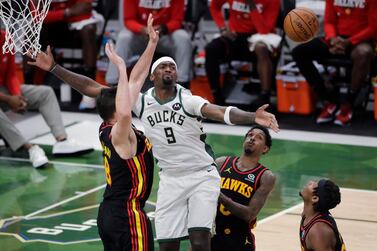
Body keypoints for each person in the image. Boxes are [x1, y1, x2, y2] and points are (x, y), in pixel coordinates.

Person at [30, 25, 279, 251]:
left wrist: (251, 117)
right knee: (167, 244)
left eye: (172, 66)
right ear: (152, 77)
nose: (169, 68)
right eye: (162, 66)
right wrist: (54, 68)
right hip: (170, 178)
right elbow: (94, 89)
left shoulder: (188, 100)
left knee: (200, 239)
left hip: (201, 173)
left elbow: (220, 112)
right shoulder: (139, 102)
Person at [0, 30, 93, 168]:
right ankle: (29, 148)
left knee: (45, 93)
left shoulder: (4, 37)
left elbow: (11, 74)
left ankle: (62, 141)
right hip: (4, 96)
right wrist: (9, 99)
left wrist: (17, 96)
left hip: (4, 90)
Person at [292, 0, 376, 126]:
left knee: (363, 53)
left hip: (361, 40)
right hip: (336, 39)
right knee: (300, 52)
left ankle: (349, 103)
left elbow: (373, 28)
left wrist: (349, 42)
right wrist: (332, 38)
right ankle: (327, 98)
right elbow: (330, 21)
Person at [25, 0, 100, 110]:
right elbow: (37, 16)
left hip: (75, 26)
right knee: (30, 32)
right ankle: (28, 90)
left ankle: (90, 92)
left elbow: (84, 9)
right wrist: (67, 12)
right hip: (50, 26)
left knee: (89, 30)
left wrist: (53, 13)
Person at [211, 125, 275, 251]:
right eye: (250, 135)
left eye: (258, 138)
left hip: (239, 241)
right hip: (212, 236)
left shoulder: (265, 176)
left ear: (265, 148)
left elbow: (249, 214)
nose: (252, 139)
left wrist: (221, 196)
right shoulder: (221, 163)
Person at [205, 0, 281, 105]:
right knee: (212, 48)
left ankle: (265, 96)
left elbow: (264, 30)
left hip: (259, 36)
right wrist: (222, 28)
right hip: (235, 35)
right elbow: (214, 6)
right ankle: (216, 96)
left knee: (261, 48)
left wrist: (251, 5)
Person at [105, 0, 192, 88]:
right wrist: (143, 29)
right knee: (124, 38)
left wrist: (163, 28)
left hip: (164, 35)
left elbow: (177, 20)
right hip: (141, 35)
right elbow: (129, 19)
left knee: (183, 38)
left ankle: (182, 84)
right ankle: (112, 84)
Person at [299, 179, 346, 251]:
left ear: (314, 198)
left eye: (313, 184)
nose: (310, 182)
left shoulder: (318, 232)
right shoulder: (308, 214)